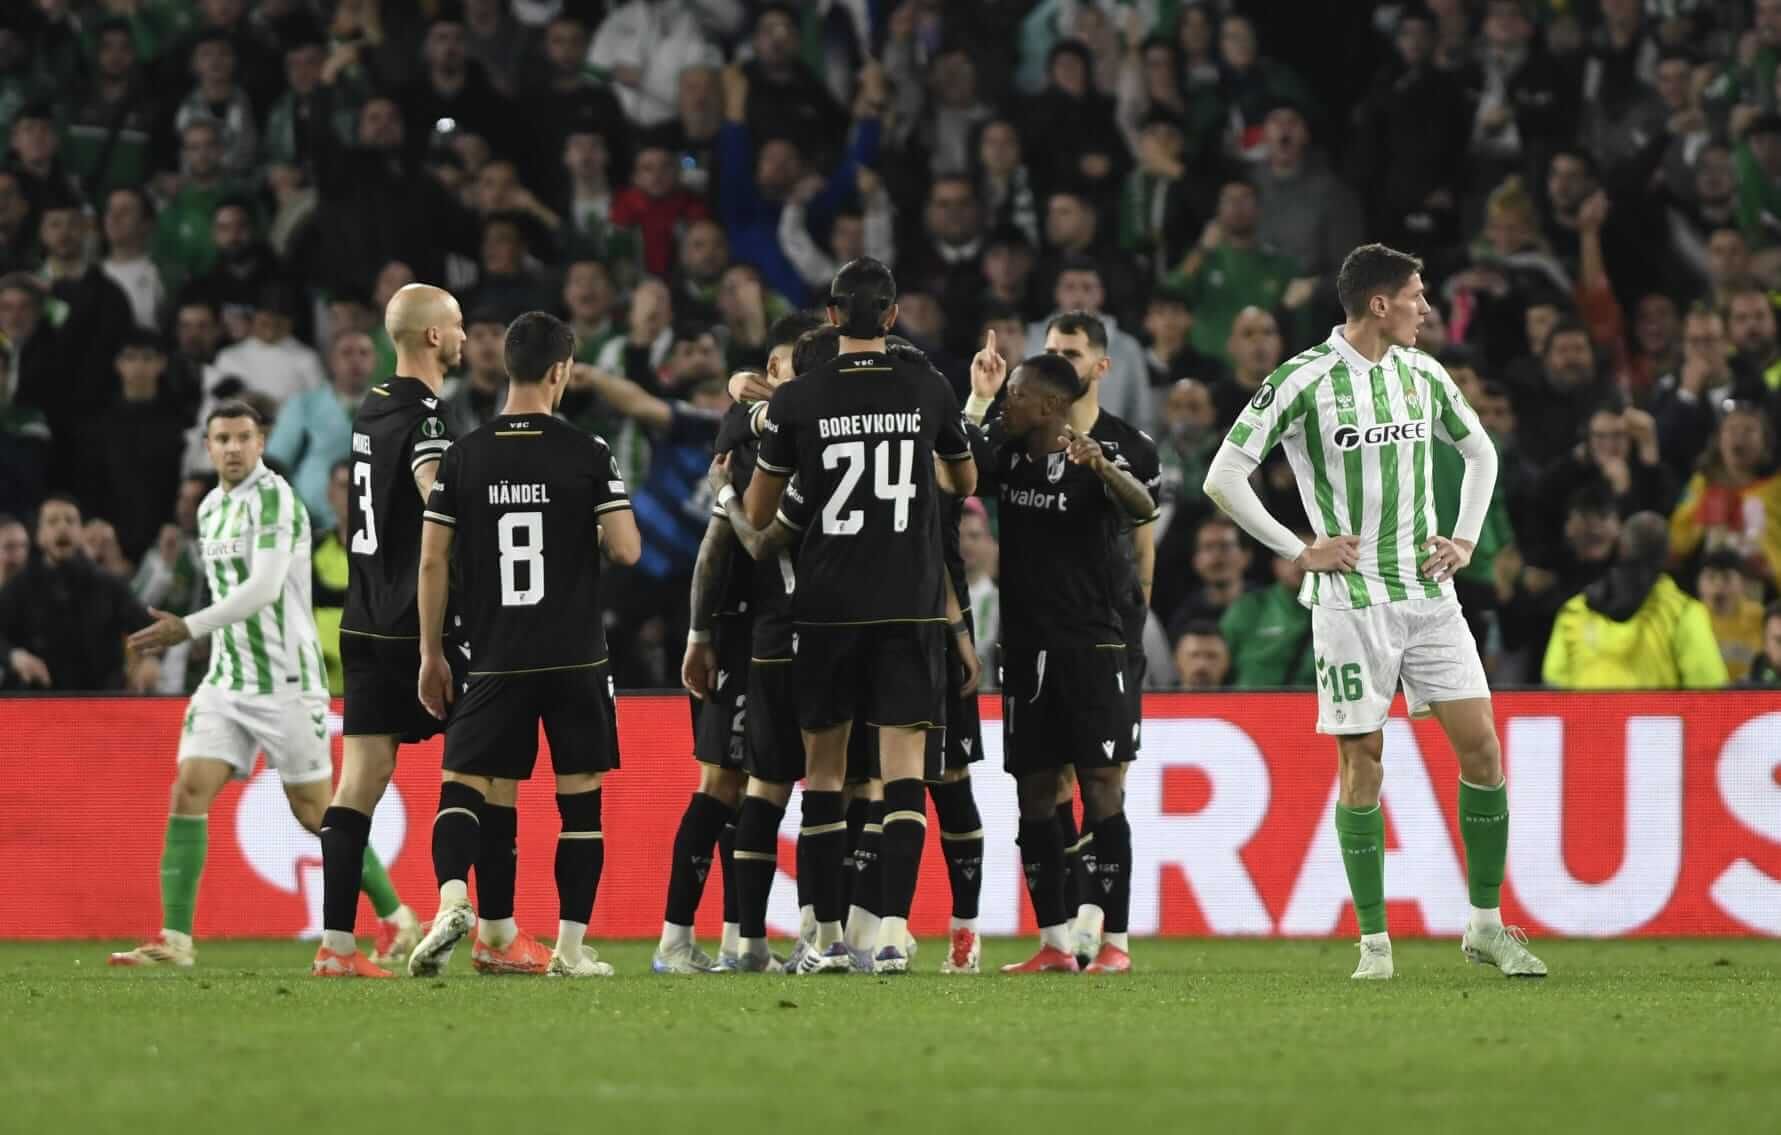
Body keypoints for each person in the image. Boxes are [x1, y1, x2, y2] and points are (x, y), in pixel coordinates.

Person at [1202, 243, 1546, 980]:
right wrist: (1299, 547)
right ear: (1379, 303)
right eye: (1417, 295)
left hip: (1428, 596)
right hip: (1351, 605)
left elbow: (1480, 452)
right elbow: (1223, 476)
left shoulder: (1422, 373)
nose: (1427, 308)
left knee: (1481, 750)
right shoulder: (1302, 379)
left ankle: (1484, 925)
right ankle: (1373, 945)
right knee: (1363, 763)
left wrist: (1462, 536)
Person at [108, 403, 414, 969]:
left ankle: (396, 916)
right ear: (207, 446)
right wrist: (201, 635)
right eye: (221, 438)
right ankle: (175, 940)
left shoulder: (276, 498)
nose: (231, 448)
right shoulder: (208, 508)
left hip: (285, 681)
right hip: (227, 679)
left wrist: (188, 626)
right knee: (188, 790)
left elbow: (267, 587)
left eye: (242, 438)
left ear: (260, 440)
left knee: (315, 810)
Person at [742, 258, 978, 974]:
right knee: (904, 771)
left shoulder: (799, 398)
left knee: (824, 773)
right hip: (908, 605)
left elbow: (758, 515)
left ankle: (825, 938)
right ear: (894, 315)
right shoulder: (927, 388)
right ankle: (891, 935)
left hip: (825, 605)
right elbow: (964, 482)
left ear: (835, 316)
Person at [408, 311, 642, 980]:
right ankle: (568, 950)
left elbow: (432, 561)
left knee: (467, 785)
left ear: (507, 367)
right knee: (579, 800)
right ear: (561, 370)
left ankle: (454, 897)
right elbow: (627, 548)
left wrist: (431, 653)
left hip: (495, 654)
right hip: (575, 654)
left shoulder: (464, 454)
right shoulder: (588, 451)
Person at [312, 284, 508, 978]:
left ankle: (337, 946)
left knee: (358, 779)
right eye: (456, 326)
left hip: (362, 618)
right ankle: (491, 926)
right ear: (432, 337)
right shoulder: (428, 416)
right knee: (486, 756)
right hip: (413, 619)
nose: (463, 338)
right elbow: (435, 491)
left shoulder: (370, 405)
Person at [963, 351, 1156, 974]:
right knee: (1035, 792)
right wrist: (979, 396)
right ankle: (1055, 940)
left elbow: (1141, 508)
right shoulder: (1010, 454)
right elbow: (960, 471)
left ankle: (1116, 943)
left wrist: (1102, 466)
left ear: (1048, 405)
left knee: (1101, 786)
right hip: (1025, 650)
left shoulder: (1094, 458)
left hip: (1092, 649)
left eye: (1015, 395)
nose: (1007, 404)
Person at [655, 310, 821, 975]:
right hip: (741, 634)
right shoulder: (748, 442)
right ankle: (678, 938)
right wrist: (700, 632)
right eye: (777, 369)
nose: (786, 383)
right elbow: (715, 546)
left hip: (786, 631)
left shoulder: (798, 441)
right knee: (726, 785)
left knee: (766, 786)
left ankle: (738, 938)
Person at [1542, 513, 1729, 690]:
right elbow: (1709, 686)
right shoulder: (1683, 613)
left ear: (1621, 548)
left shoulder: (1575, 611)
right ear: (1667, 556)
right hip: (1658, 723)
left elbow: (1554, 685)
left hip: (1589, 723)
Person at [0, 494, 158, 693]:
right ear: (39, 535)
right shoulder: (20, 586)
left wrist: (150, 661)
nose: (62, 527)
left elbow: (149, 629)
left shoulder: (109, 584)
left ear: (81, 532)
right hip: (39, 703)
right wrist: (15, 656)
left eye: (70, 520)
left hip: (100, 701)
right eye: (52, 521)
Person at [1697, 548, 1765, 682]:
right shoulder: (1689, 621)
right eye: (1711, 577)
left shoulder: (1760, 617)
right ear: (1699, 583)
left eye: (1726, 578)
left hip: (1752, 698)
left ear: (1743, 583)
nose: (1718, 584)